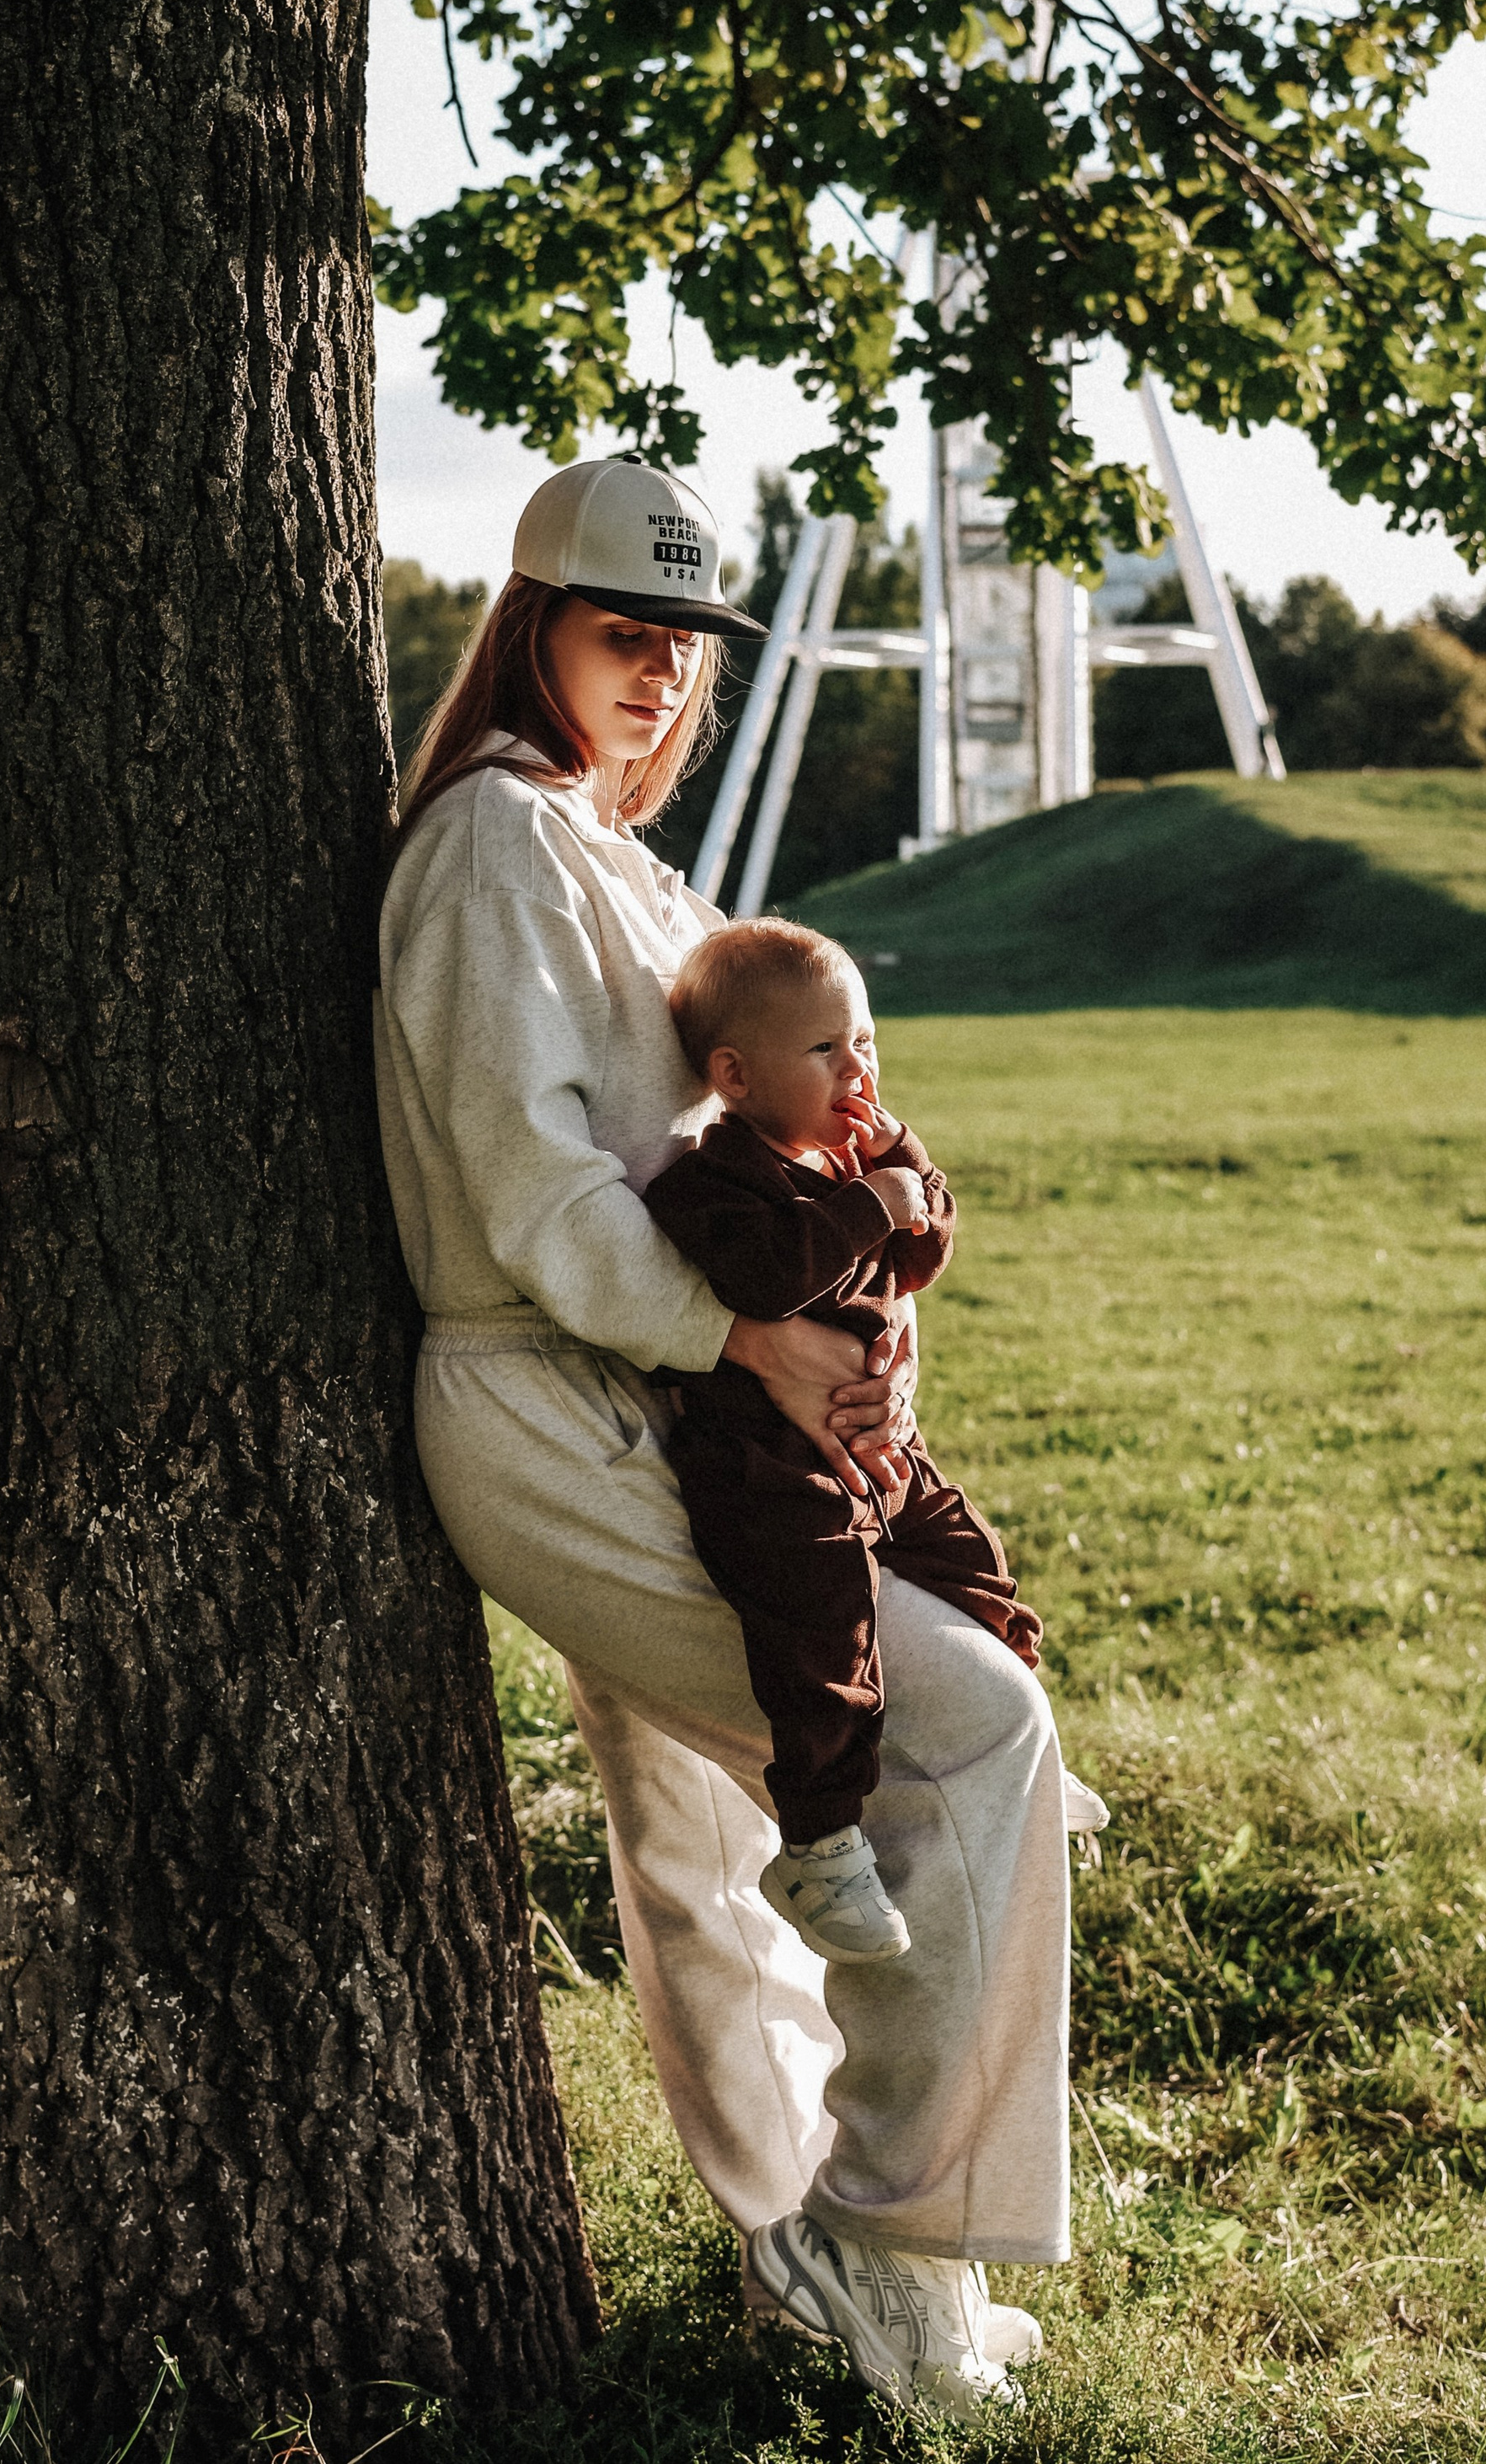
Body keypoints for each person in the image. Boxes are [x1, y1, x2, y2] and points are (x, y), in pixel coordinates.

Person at [373, 456, 1076, 2419]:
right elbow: (535, 1192)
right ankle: (882, 2232)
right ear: (531, 627)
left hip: (680, 1385)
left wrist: (848, 1329)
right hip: (543, 1390)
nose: (662, 677)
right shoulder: (493, 845)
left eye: (685, 645)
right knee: (953, 1725)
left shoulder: (624, 865)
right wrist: (753, 1340)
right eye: (622, 634)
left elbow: (739, 1143)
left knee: (708, 1852)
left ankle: (811, 2252)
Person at [644, 917, 1045, 1967]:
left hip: (874, 1449)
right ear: (733, 1074)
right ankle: (820, 1840)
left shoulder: (851, 1160)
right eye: (825, 1049)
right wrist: (871, 1198)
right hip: (769, 1468)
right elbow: (769, 1279)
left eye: (864, 1040)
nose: (856, 1066)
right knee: (823, 1634)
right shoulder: (706, 1184)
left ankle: (1019, 1746)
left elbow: (923, 1249)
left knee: (970, 1553)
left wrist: (897, 1160)